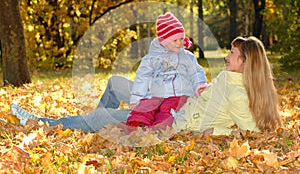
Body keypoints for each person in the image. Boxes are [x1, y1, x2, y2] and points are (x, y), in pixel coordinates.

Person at [10, 36, 282, 135]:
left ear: (245, 63)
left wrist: (215, 131)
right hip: (176, 99)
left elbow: (253, 130)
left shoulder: (237, 92)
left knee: (101, 116)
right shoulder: (228, 77)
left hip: (170, 119)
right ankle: (95, 126)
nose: (226, 56)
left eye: (232, 54)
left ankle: (42, 122)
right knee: (116, 83)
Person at [126, 12, 207, 128]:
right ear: (164, 41)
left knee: (169, 109)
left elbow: (196, 72)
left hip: (179, 94)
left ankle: (160, 127)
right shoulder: (152, 58)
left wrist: (199, 85)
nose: (180, 43)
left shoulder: (186, 56)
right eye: (175, 40)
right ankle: (138, 123)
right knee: (147, 104)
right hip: (157, 93)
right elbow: (143, 76)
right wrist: (136, 98)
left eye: (181, 39)